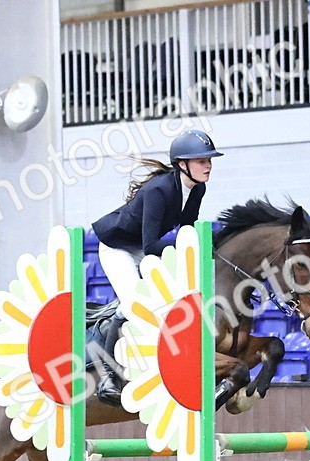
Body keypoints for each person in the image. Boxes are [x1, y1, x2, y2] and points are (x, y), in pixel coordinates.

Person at [89, 129, 223, 406]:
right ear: (182, 164)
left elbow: (188, 230)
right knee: (133, 305)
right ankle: (107, 377)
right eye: (201, 160)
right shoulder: (158, 190)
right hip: (118, 247)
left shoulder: (198, 188)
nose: (208, 165)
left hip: (143, 246)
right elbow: (151, 245)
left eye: (209, 160)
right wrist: (189, 248)